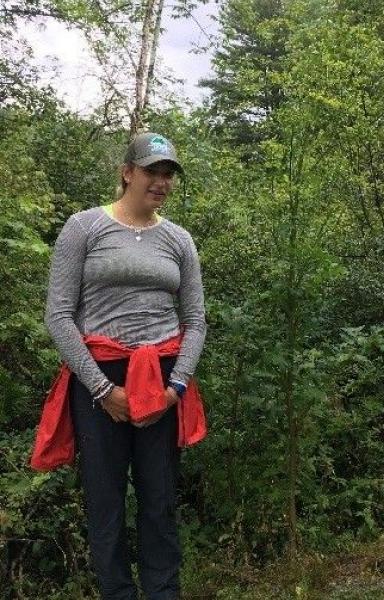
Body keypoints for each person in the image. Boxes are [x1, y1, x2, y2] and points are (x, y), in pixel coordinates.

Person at [42, 132, 207, 600]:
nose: (160, 182)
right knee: (105, 501)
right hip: (99, 378)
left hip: (162, 376)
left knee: (159, 500)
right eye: (152, 171)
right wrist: (100, 389)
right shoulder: (84, 228)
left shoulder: (179, 239)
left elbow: (194, 320)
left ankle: (163, 592)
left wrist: (175, 387)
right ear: (127, 171)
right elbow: (58, 315)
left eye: (168, 174)